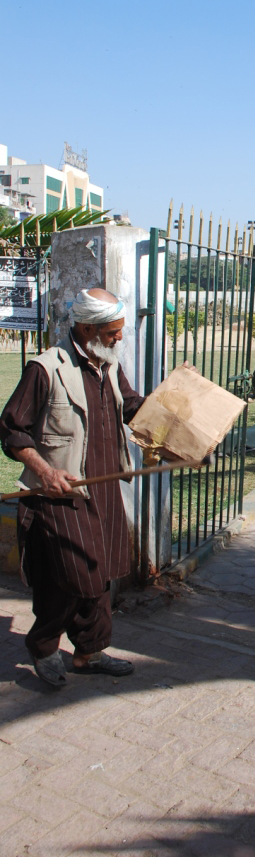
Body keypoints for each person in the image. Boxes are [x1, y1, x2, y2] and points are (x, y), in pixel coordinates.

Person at [0, 288, 145, 688]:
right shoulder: (46, 368)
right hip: (61, 492)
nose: (119, 337)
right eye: (113, 331)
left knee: (102, 571)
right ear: (87, 329)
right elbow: (12, 430)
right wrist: (45, 471)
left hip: (104, 486)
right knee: (79, 574)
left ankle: (89, 652)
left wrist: (180, 425)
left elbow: (132, 406)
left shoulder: (108, 365)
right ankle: (43, 646)